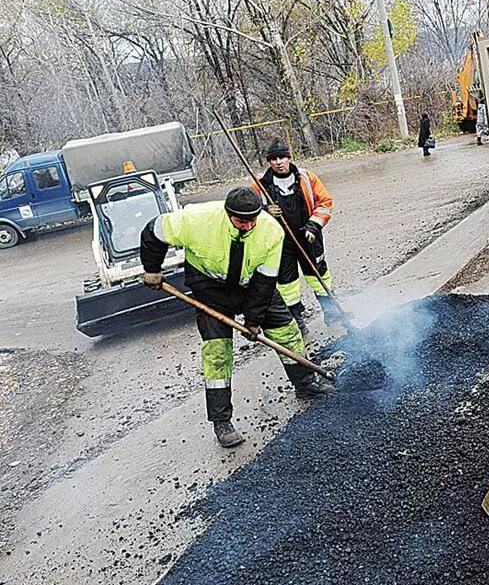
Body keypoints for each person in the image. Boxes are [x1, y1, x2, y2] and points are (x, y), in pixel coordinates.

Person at [140, 186, 334, 448]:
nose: (248, 225)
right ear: (228, 213)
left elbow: (265, 283)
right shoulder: (195, 220)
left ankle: (305, 381)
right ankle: (222, 421)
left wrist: (253, 321)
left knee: (286, 331)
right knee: (217, 353)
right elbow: (153, 231)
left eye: (253, 219)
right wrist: (152, 268)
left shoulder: (270, 231)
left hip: (252, 285)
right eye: (242, 221)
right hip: (209, 289)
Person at [252, 138, 340, 335]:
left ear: (289, 158)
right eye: (273, 159)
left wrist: (313, 226)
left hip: (308, 237)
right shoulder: (260, 185)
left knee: (318, 274)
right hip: (279, 243)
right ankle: (297, 319)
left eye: (282, 157)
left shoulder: (307, 178)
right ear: (269, 162)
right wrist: (265, 210)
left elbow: (325, 202)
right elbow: (249, 210)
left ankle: (331, 311)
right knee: (287, 282)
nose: (278, 162)